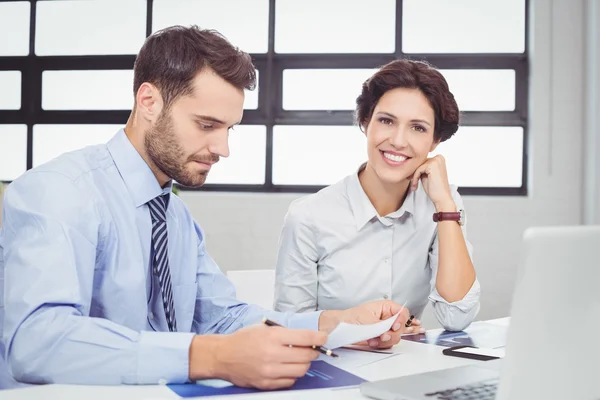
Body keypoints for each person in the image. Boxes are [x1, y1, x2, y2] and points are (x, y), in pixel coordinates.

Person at [0, 26, 411, 390]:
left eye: (229, 129)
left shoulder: (175, 217)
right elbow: (37, 342)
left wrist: (331, 326)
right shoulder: (58, 191)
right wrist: (209, 358)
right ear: (149, 102)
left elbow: (221, 318)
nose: (223, 149)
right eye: (207, 125)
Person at [273, 59, 480, 332]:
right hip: (331, 367)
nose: (397, 140)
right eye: (386, 121)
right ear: (365, 123)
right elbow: (289, 330)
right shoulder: (308, 216)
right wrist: (360, 333)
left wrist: (445, 206)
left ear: (435, 141)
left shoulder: (442, 205)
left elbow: (457, 318)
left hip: (404, 366)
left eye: (418, 127)